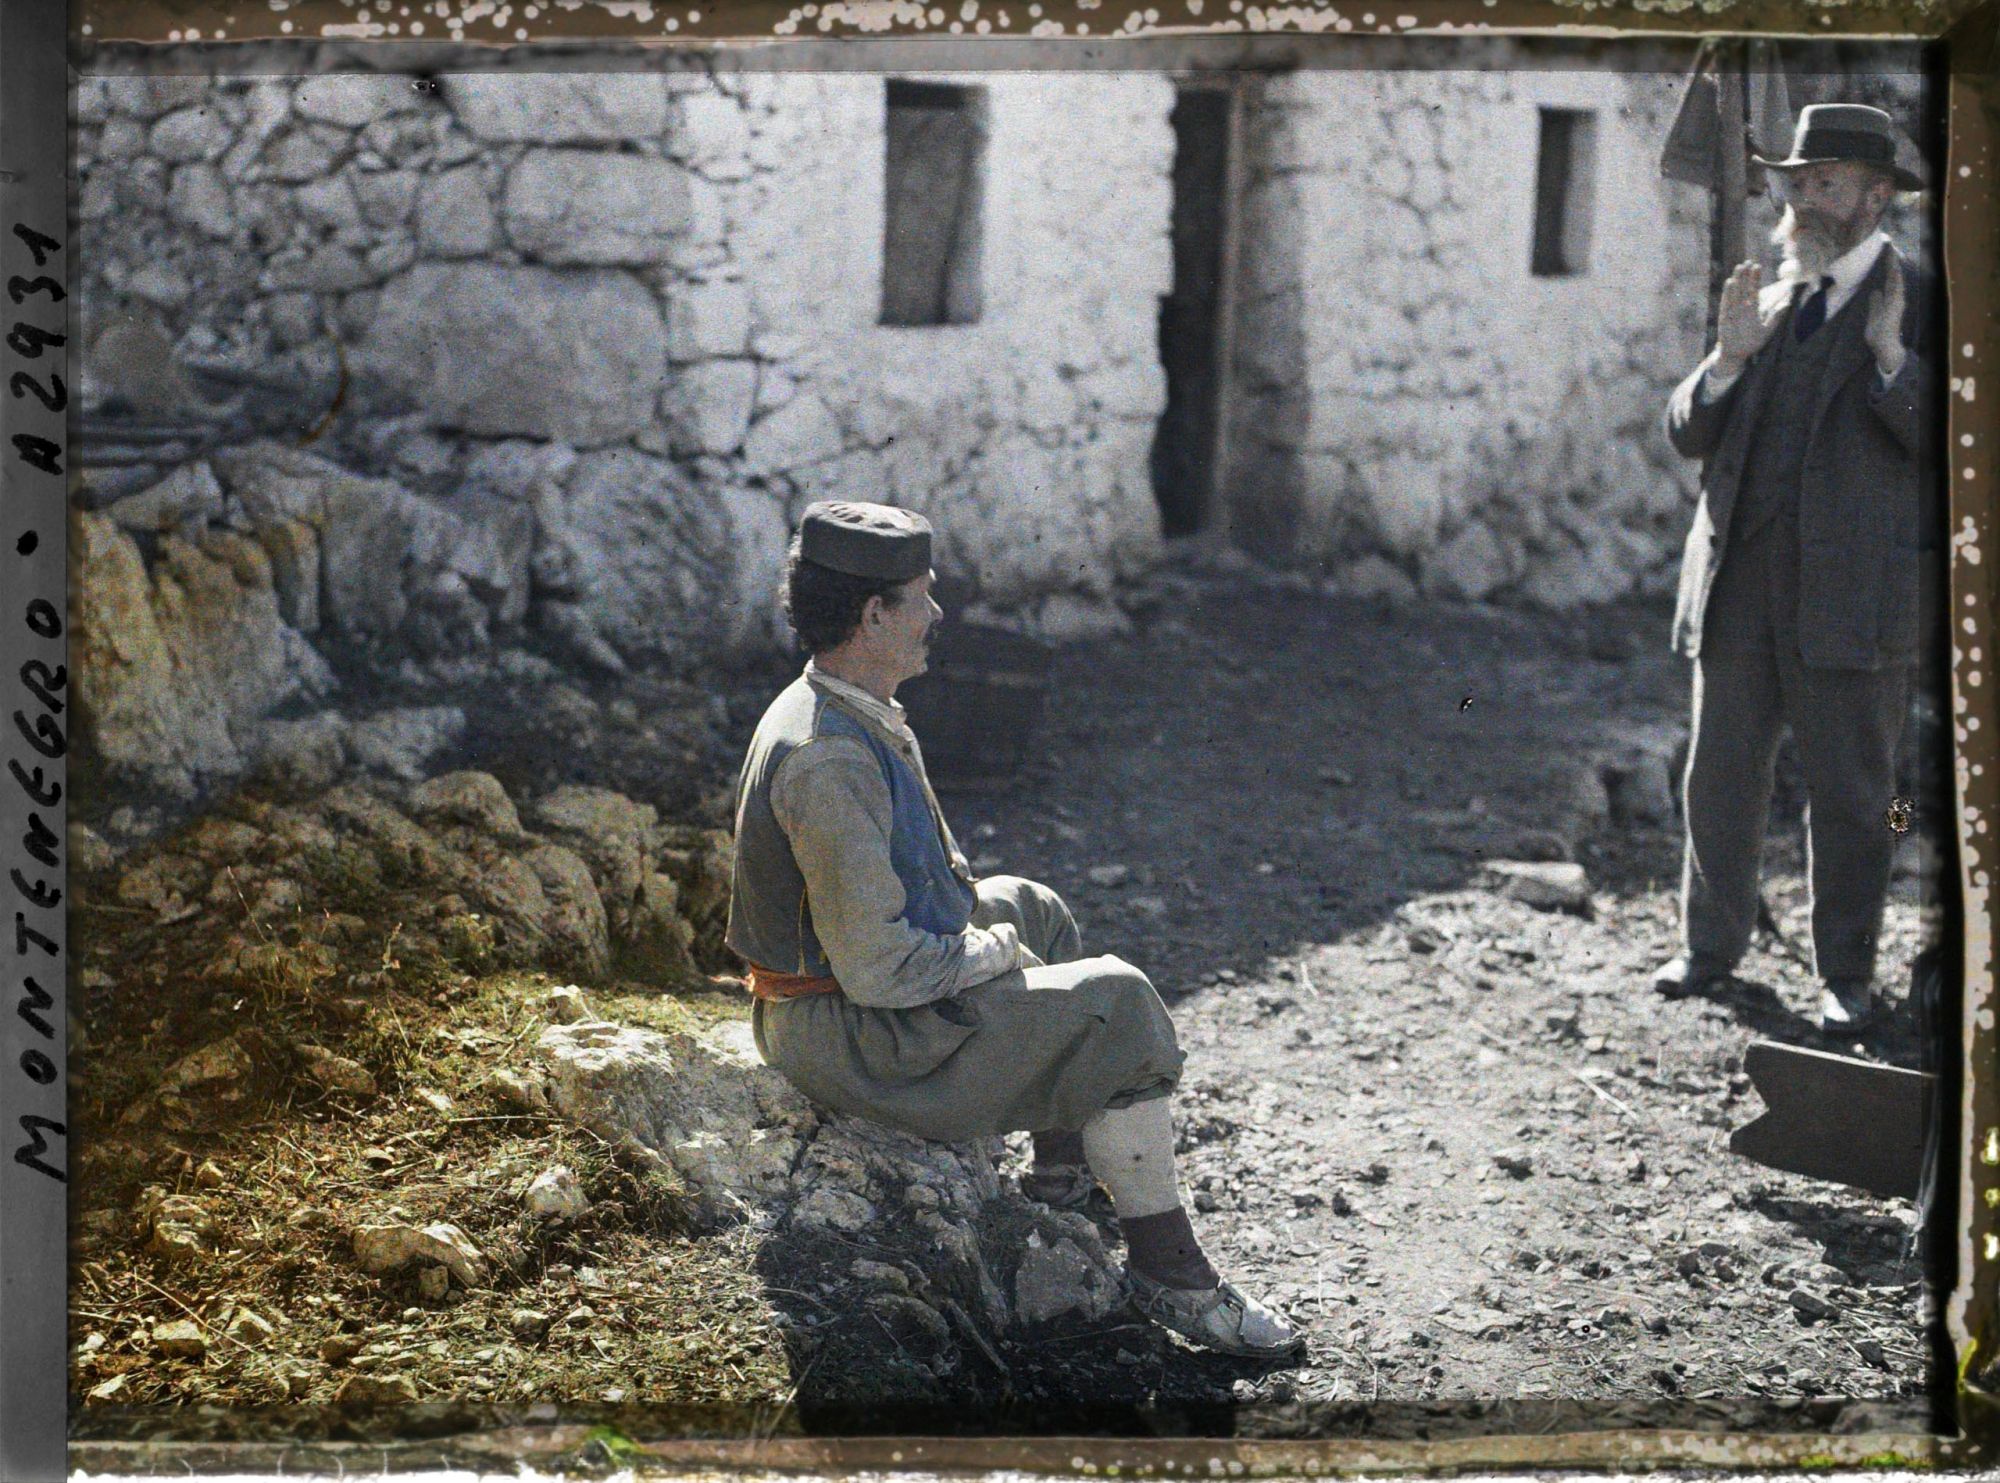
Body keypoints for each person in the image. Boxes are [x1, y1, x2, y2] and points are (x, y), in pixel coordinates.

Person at [726, 499, 1302, 1357]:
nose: (937, 615)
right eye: (920, 597)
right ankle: (1173, 1279)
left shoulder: (843, 701)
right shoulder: (829, 755)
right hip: (844, 1035)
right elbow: (881, 970)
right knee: (1121, 1004)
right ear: (873, 613)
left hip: (852, 999)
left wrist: (998, 935)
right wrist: (988, 955)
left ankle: (1062, 1178)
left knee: (1031, 902)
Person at [1653, 103, 1937, 1033]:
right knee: (1717, 777)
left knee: (1864, 796)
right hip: (1738, 584)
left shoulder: (1928, 299)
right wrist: (1727, 365)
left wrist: (1895, 361)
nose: (1804, 200)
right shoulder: (1771, 301)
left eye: (1826, 184)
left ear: (1876, 196)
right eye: (1795, 183)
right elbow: (1689, 431)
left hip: (1857, 604)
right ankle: (1708, 947)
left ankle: (1847, 973)